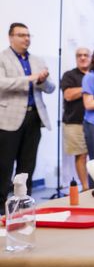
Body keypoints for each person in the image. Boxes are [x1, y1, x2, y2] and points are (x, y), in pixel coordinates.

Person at [0, 23, 55, 203]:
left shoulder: (37, 60)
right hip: (8, 119)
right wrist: (30, 78)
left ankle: (24, 206)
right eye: (21, 35)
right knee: (4, 166)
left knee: (27, 166)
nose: (26, 38)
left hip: (33, 117)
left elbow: (50, 88)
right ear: (11, 37)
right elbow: (2, 84)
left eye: (28, 35)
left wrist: (42, 80)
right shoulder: (2, 58)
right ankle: (1, 208)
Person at [61, 48, 91, 190]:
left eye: (86, 55)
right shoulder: (69, 75)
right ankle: (85, 188)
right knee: (81, 155)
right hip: (74, 122)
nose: (83, 58)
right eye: (79, 55)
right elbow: (68, 95)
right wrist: (89, 86)